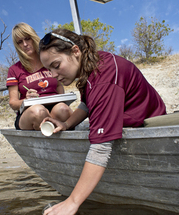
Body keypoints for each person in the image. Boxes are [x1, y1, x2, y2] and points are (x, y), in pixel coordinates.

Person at [39, 29, 166, 215]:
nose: (53, 75)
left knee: (96, 142)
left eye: (56, 65)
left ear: (75, 51)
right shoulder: (93, 63)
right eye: (49, 69)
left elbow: (101, 148)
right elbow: (87, 104)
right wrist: (67, 124)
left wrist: (73, 202)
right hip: (125, 115)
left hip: (148, 122)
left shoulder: (103, 78)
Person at [6, 23, 73, 130]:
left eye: (27, 39)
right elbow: (13, 103)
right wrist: (26, 100)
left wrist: (62, 102)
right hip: (29, 112)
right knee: (38, 112)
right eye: (20, 42)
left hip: (54, 107)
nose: (25, 44)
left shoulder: (49, 60)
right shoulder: (14, 69)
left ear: (33, 37)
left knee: (63, 109)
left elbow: (59, 86)